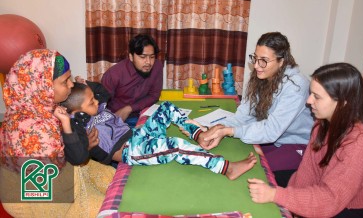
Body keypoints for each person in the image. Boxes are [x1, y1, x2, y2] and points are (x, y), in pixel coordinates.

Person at [59, 80, 257, 180]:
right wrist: (68, 120)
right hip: (131, 151)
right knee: (176, 146)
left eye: (94, 99)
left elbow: (104, 93)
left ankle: (200, 135)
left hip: (137, 135)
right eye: (91, 102)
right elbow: (76, 153)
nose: (97, 102)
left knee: (167, 107)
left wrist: (87, 85)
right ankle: (225, 167)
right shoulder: (78, 125)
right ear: (76, 111)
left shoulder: (96, 107)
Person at [248, 63, 363, 218]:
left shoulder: (361, 140)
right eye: (310, 93)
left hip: (353, 208)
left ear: (343, 102)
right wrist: (293, 207)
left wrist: (277, 196)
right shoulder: (321, 124)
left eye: (317, 96)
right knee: (269, 182)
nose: (308, 101)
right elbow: (307, 172)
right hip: (328, 193)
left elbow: (331, 199)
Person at [0, 49, 115, 218]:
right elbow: (49, 191)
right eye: (64, 81)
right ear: (43, 86)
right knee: (106, 210)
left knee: (114, 178)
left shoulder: (40, 105)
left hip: (59, 171)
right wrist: (82, 151)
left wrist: (82, 149)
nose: (71, 85)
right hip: (38, 198)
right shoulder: (33, 132)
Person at [189, 32, 314, 185]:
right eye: (255, 58)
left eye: (264, 61)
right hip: (274, 139)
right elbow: (245, 114)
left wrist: (229, 131)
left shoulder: (296, 86)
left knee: (256, 172)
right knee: (237, 156)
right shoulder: (261, 76)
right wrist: (216, 127)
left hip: (295, 144)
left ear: (282, 61)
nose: (256, 66)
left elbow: (271, 131)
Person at [101, 34, 163, 128]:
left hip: (144, 113)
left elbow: (154, 95)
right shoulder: (113, 75)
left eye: (152, 57)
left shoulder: (157, 66)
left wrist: (129, 108)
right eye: (143, 57)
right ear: (131, 57)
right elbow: (101, 106)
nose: (148, 62)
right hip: (117, 119)